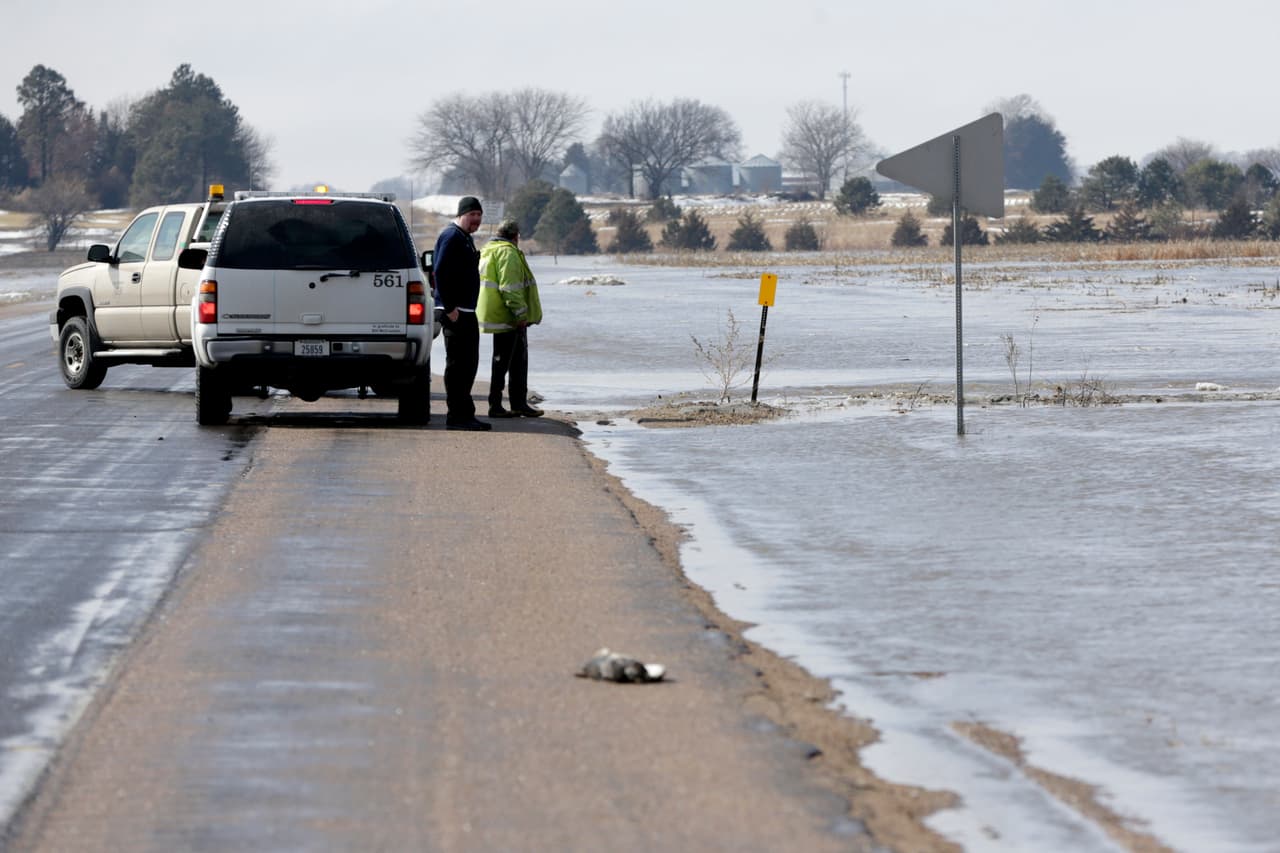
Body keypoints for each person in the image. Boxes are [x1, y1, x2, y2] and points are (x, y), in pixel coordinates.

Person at [433, 196, 491, 431]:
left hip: (466, 311)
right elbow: (439, 271)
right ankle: (457, 416)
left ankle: (466, 413)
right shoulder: (451, 236)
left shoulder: (465, 238)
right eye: (472, 215)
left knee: (469, 364)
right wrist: (449, 308)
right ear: (461, 215)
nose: (476, 220)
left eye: (479, 215)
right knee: (458, 365)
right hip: (456, 312)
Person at [477, 218, 543, 418]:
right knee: (509, 362)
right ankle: (499, 405)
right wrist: (521, 314)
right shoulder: (507, 253)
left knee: (509, 361)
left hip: (496, 312)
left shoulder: (489, 249)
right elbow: (510, 288)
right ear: (516, 236)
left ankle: (515, 403)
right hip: (509, 316)